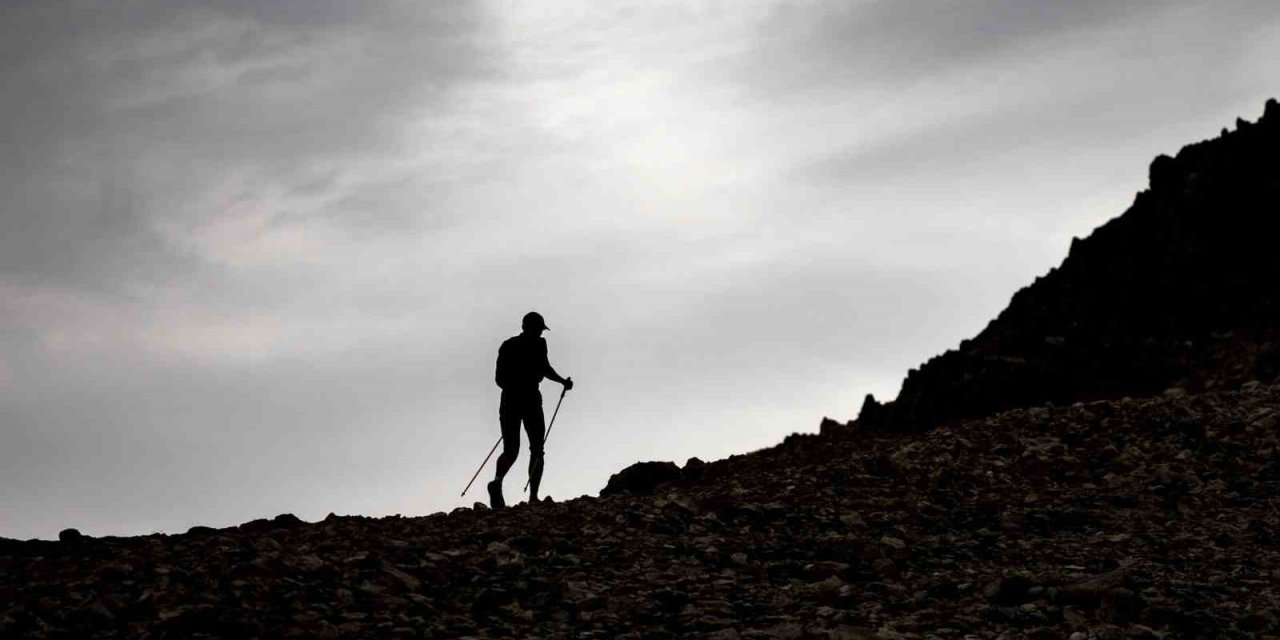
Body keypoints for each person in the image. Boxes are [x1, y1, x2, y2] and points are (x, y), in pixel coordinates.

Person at [488, 311, 573, 508]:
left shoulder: (508, 345)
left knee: (511, 449)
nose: (541, 334)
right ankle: (533, 497)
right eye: (540, 330)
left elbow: (499, 379)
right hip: (530, 400)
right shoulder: (537, 345)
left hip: (510, 400)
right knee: (536, 448)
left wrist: (514, 388)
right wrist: (562, 382)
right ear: (534, 328)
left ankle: (498, 482)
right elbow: (545, 369)